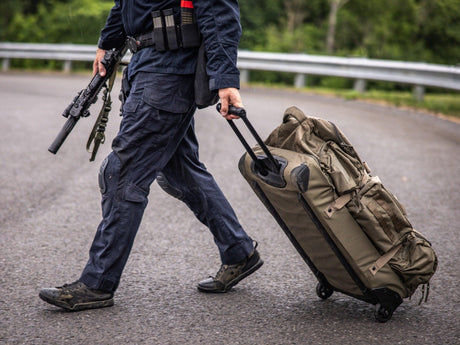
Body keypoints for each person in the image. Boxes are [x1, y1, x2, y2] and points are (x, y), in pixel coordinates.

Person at [39, 0, 263, 311]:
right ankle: (238, 251)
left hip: (169, 70)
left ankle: (97, 283)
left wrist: (225, 79)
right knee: (179, 171)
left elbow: (219, 10)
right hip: (145, 63)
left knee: (121, 173)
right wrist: (108, 42)